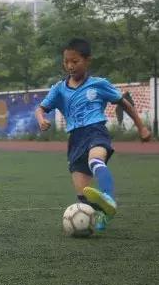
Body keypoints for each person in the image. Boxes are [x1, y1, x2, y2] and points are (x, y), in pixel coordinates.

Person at [35, 38, 150, 231]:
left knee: (95, 160)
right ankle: (102, 217)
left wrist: (142, 127)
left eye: (75, 61)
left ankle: (108, 197)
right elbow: (40, 108)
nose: (70, 66)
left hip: (96, 130)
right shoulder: (59, 89)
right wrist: (41, 119)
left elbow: (125, 104)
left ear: (87, 61)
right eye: (66, 62)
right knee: (83, 196)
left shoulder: (99, 84)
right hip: (75, 139)